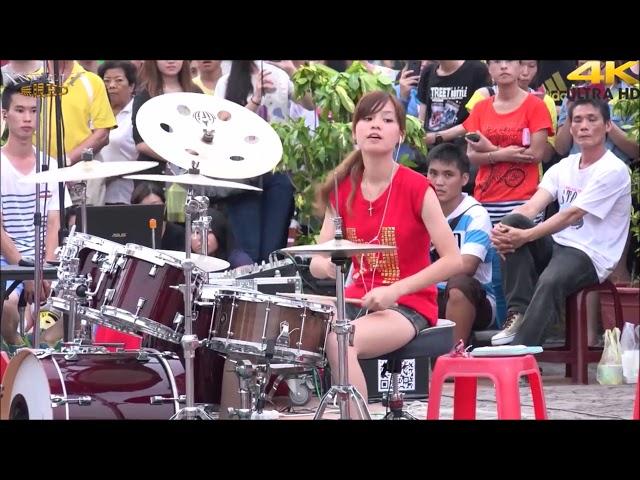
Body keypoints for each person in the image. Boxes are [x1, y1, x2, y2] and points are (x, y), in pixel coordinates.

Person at [308, 91, 462, 411]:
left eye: (387, 120)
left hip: (407, 305)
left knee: (342, 337)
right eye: (367, 118)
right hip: (353, 300)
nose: (376, 125)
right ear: (354, 132)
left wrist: (396, 290)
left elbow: (452, 259)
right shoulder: (342, 190)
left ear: (400, 135)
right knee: (283, 327)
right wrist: (325, 266)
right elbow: (318, 260)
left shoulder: (417, 187)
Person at [490, 98, 631, 346]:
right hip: (558, 244)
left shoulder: (613, 169)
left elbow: (571, 215)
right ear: (570, 127)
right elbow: (532, 207)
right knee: (514, 221)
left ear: (608, 125)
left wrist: (524, 236)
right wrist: (503, 229)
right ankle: (518, 314)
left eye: (592, 119)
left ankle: (522, 351)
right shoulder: (564, 166)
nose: (584, 126)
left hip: (590, 254)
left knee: (549, 280)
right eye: (577, 120)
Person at [1, 80, 69, 349]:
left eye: (33, 110)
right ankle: (18, 347)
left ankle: (33, 347)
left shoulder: (50, 165)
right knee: (6, 309)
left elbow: (54, 223)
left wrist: (46, 271)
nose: (27, 117)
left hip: (44, 264)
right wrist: (27, 272)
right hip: (9, 264)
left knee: (65, 310)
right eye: (19, 110)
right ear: (5, 114)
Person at [426, 143, 497, 345]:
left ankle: (453, 357)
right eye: (433, 173)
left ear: (464, 179)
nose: (438, 182)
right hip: (429, 294)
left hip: (475, 301)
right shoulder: (418, 211)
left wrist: (418, 276)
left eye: (448, 175)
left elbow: (467, 266)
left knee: (458, 284)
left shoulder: (475, 214)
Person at [95, 60, 139, 205]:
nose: (111, 85)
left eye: (119, 80)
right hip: (94, 191)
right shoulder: (96, 111)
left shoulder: (137, 113)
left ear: (132, 86)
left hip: (126, 192)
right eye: (106, 81)